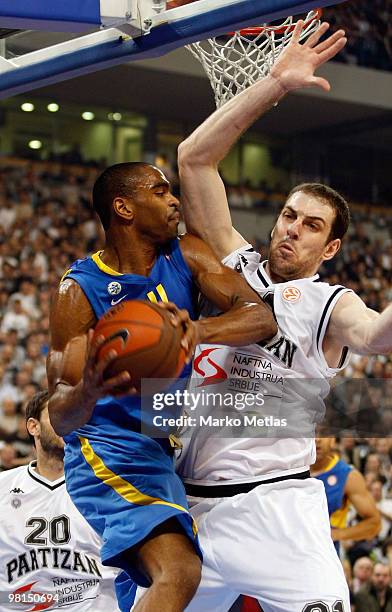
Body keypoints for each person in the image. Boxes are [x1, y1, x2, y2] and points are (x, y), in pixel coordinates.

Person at [174, 17, 392, 612]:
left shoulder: (327, 301)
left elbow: (374, 335)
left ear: (331, 248)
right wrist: (274, 83)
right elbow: (193, 161)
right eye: (290, 216)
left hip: (277, 511)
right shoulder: (234, 266)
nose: (293, 229)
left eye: (312, 225)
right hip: (192, 508)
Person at [46, 161, 277, 612]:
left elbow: (260, 316)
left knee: (159, 590)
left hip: (164, 445)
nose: (174, 200)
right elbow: (59, 413)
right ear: (124, 208)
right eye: (160, 191)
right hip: (107, 450)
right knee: (180, 569)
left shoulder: (186, 253)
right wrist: (88, 389)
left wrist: (195, 331)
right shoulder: (80, 292)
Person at [0, 390, 120, 610]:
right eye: (58, 414)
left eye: (75, 415)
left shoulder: (109, 485)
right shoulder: (3, 487)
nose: (69, 422)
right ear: (33, 427)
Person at [311, 437, 380, 554]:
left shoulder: (348, 475)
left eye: (323, 434)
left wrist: (336, 534)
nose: (317, 439)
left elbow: (374, 523)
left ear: (333, 440)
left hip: (324, 555)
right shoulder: (287, 468)